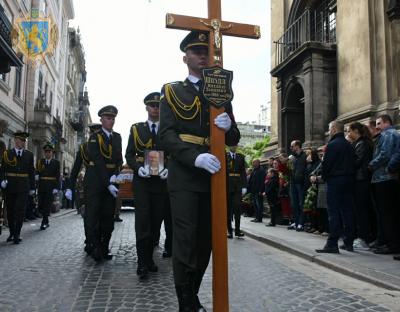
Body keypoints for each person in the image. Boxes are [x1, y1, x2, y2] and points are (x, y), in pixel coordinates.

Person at [159, 31, 240, 312]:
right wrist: (194, 158)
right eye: (196, 51)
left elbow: (234, 136)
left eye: (206, 51)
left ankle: (192, 294)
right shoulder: (171, 91)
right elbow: (166, 136)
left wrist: (229, 127)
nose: (203, 55)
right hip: (185, 174)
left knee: (207, 240)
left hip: (214, 176)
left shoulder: (220, 91)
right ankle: (186, 302)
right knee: (185, 239)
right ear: (186, 58)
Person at [126, 91, 171, 279]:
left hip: (161, 183)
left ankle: (150, 259)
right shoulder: (137, 129)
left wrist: (169, 168)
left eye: (158, 105)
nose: (155, 108)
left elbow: (174, 153)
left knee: (155, 223)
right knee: (143, 222)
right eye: (152, 105)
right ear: (146, 107)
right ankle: (142, 262)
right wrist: (137, 168)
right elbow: (129, 154)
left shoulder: (169, 129)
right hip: (143, 183)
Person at [85, 106, 123, 261]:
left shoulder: (117, 137)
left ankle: (105, 247)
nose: (111, 121)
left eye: (113, 118)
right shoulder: (95, 137)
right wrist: (108, 183)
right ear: (101, 120)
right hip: (96, 181)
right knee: (93, 217)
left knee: (108, 218)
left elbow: (119, 159)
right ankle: (96, 247)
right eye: (108, 118)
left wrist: (115, 175)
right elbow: (98, 161)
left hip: (111, 182)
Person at [316, 120, 355, 254]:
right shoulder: (349, 145)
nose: (328, 131)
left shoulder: (332, 145)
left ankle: (332, 244)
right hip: (349, 180)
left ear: (333, 129)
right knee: (347, 211)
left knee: (333, 212)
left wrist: (324, 177)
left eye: (329, 128)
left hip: (335, 181)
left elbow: (326, 165)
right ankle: (349, 242)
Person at [65, 123, 102, 254]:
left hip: (104, 183)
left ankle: (99, 241)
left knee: (102, 215)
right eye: (94, 134)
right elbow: (75, 169)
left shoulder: (107, 145)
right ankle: (89, 240)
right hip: (90, 183)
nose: (96, 136)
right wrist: (69, 187)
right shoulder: (83, 148)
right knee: (89, 214)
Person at [368, 115, 400, 255]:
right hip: (386, 178)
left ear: (387, 122)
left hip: (383, 178)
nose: (377, 127)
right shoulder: (391, 134)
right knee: (389, 213)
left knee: (387, 214)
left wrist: (371, 165)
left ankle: (391, 245)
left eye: (379, 123)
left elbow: (385, 154)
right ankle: (390, 243)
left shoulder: (388, 134)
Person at [0, 131, 35, 244]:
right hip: (10, 186)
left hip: (23, 186)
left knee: (20, 210)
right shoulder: (7, 154)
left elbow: (31, 172)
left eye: (24, 141)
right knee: (10, 211)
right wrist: (2, 180)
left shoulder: (29, 155)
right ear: (15, 140)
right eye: (21, 140)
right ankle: (11, 232)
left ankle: (17, 234)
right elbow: (2, 170)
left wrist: (32, 188)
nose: (23, 143)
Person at [347, 122, 374, 250]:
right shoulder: (358, 144)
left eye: (349, 131)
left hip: (361, 180)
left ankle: (364, 239)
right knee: (360, 210)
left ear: (355, 131)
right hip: (359, 180)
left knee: (362, 210)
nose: (348, 134)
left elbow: (356, 162)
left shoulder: (362, 144)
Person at [36, 142, 60, 230]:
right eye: (46, 152)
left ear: (52, 153)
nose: (47, 153)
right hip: (42, 186)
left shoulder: (56, 163)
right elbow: (37, 171)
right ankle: (45, 220)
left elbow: (57, 176)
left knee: (47, 205)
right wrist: (36, 176)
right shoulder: (40, 162)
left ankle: (44, 222)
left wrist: (56, 188)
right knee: (41, 205)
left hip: (50, 186)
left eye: (49, 152)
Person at [226, 145, 247, 238]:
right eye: (232, 145)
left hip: (237, 186)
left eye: (235, 145)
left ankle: (237, 231)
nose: (233, 147)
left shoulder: (241, 157)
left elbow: (243, 172)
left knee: (238, 209)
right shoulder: (224, 156)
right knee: (228, 209)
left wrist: (244, 186)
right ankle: (229, 231)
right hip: (227, 185)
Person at [288, 140, 307, 231]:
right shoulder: (293, 157)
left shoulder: (304, 156)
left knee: (301, 203)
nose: (291, 148)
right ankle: (296, 221)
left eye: (292, 146)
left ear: (297, 146)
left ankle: (301, 223)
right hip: (293, 182)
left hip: (301, 183)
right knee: (294, 204)